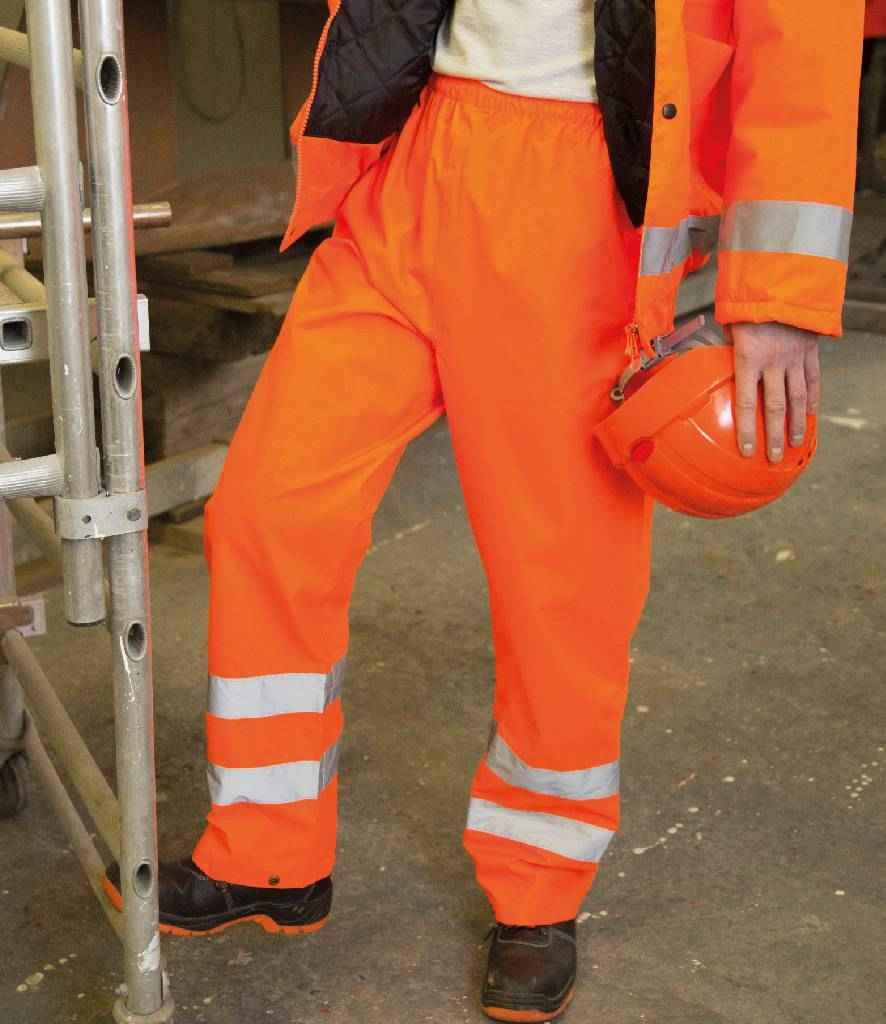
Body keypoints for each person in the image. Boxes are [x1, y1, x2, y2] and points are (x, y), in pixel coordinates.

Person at [106, 2, 864, 1020]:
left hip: (576, 187)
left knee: (562, 574)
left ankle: (539, 890)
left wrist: (777, 291)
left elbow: (803, 34)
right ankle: (268, 852)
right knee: (269, 510)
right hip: (419, 151)